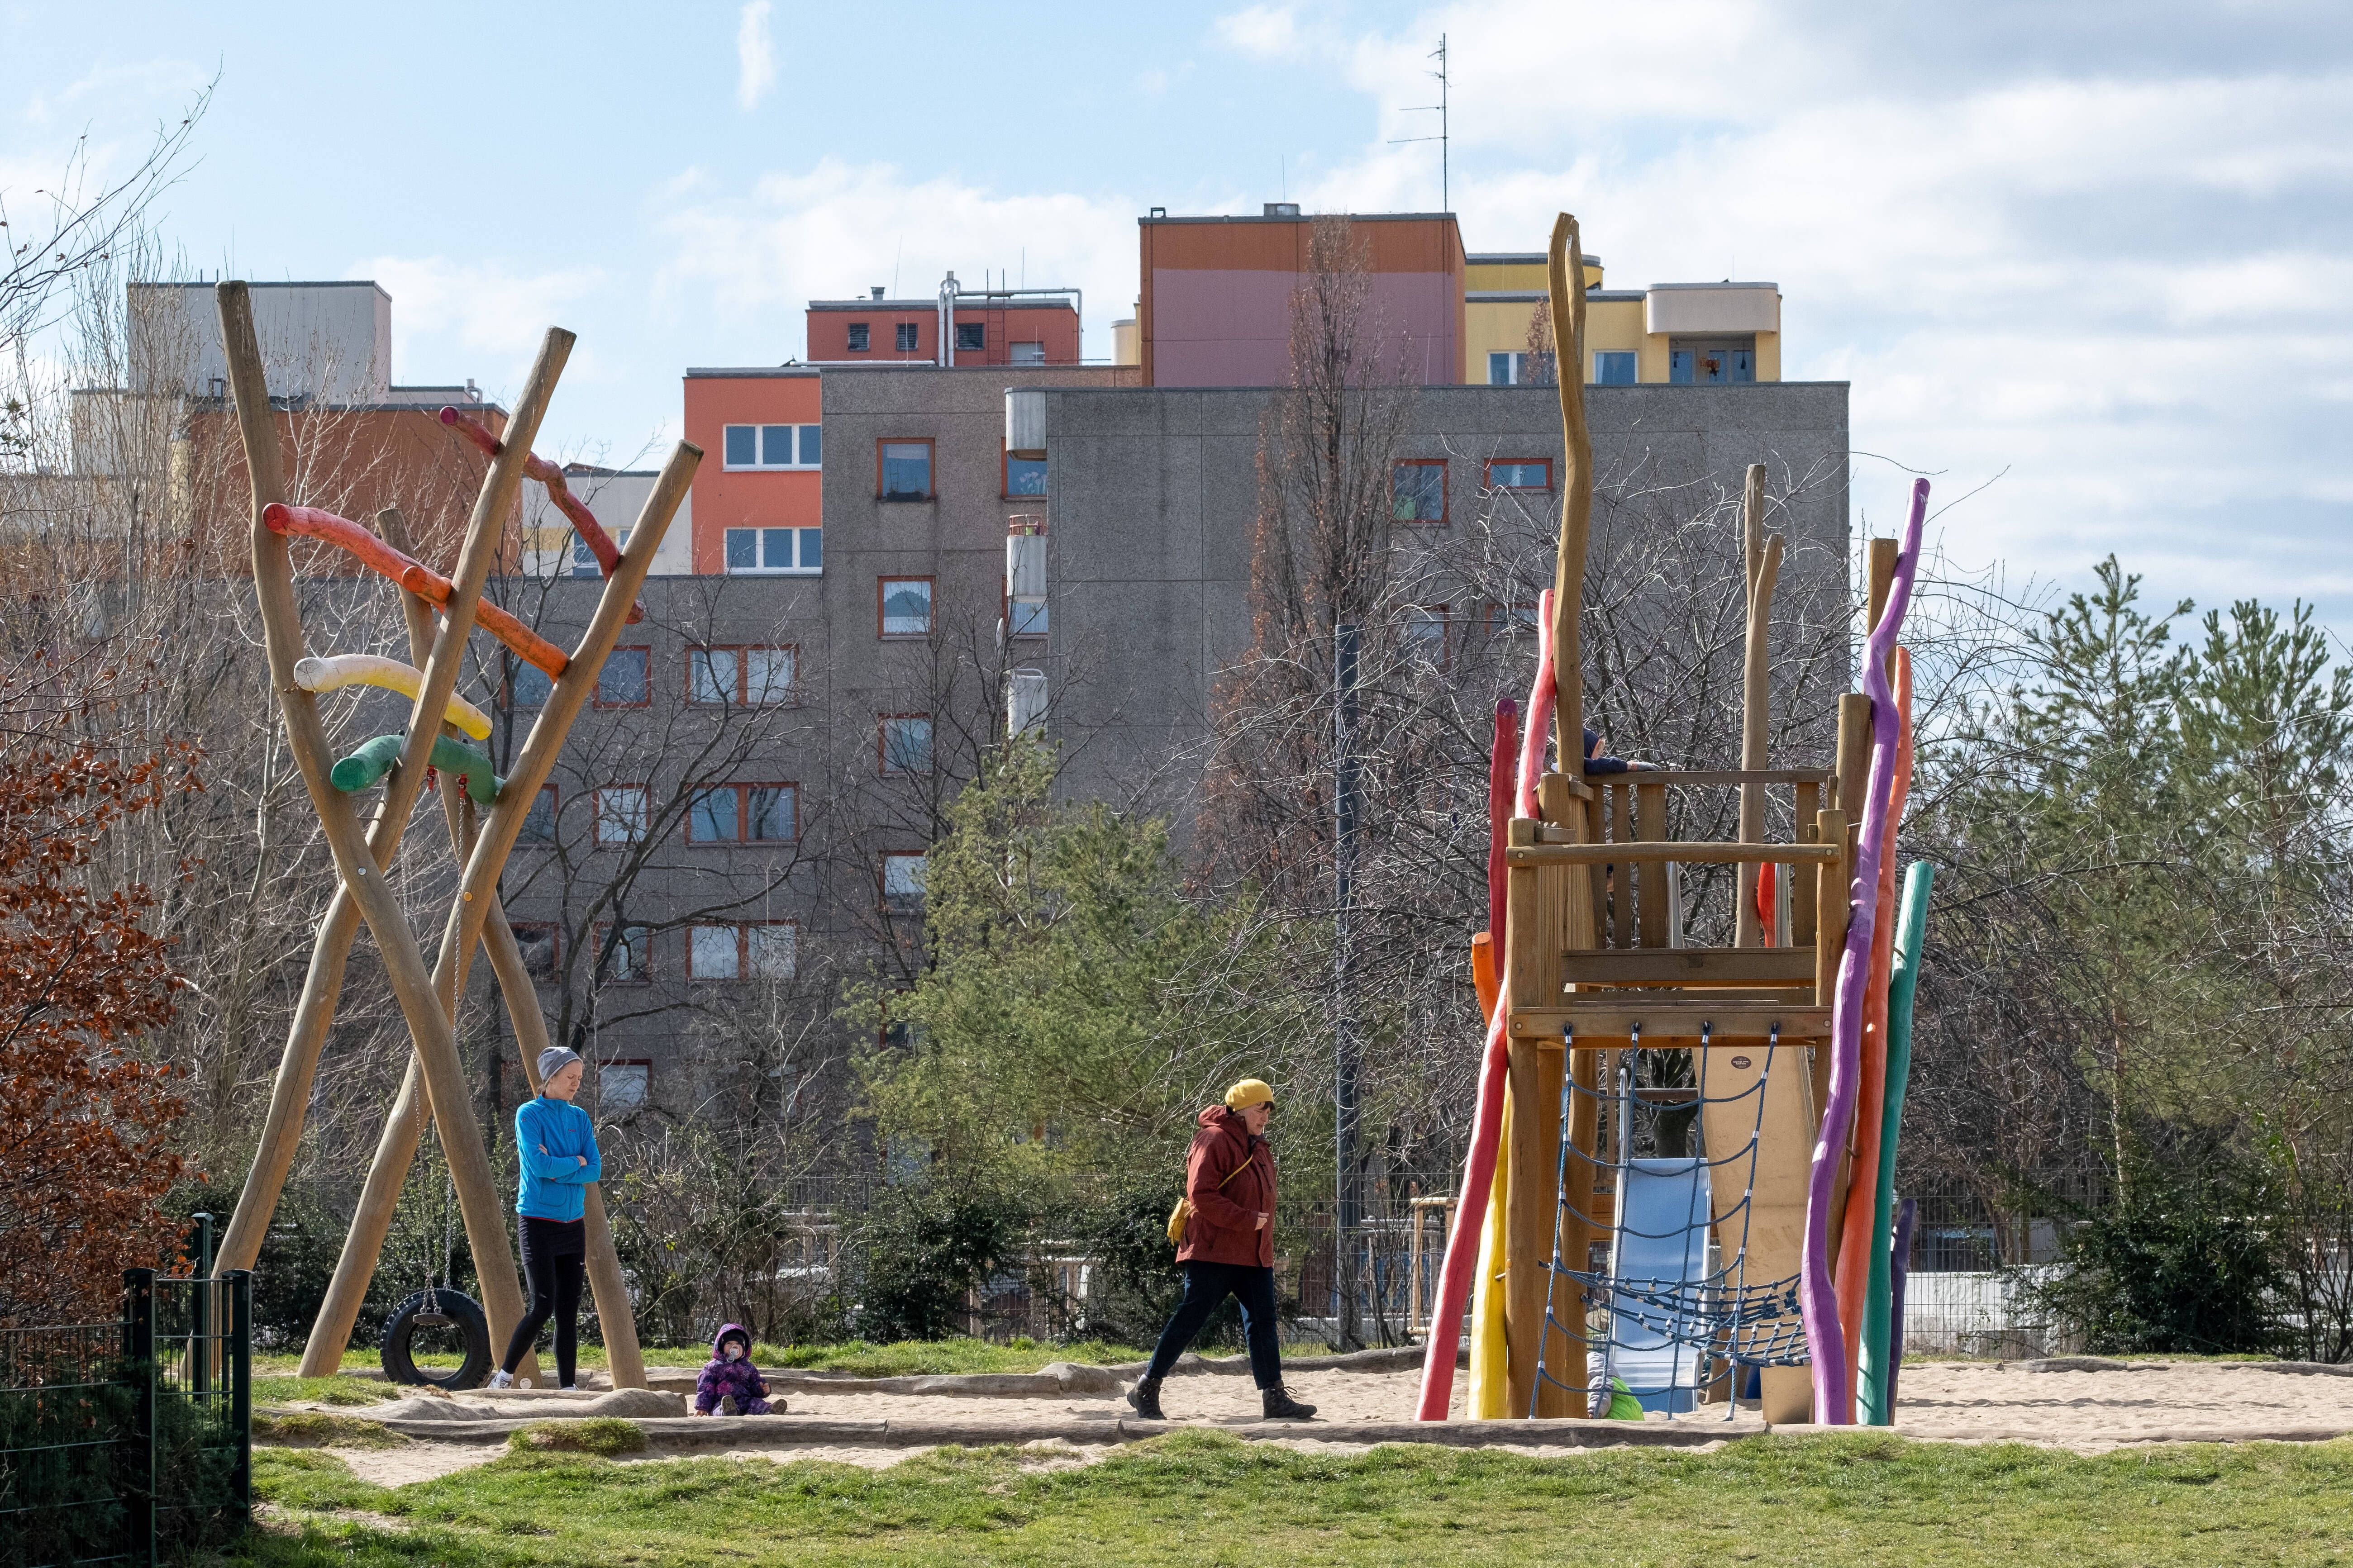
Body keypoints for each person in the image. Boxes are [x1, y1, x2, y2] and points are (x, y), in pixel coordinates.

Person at [1127, 1079, 1316, 1422]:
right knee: (1191, 1318)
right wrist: (1245, 1220)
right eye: (1261, 1109)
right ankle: (1146, 1386)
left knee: (1263, 1323)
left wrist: (1260, 1238)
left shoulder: (1258, 1146)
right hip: (1213, 1251)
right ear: (1241, 1109)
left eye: (1270, 1110)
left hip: (1254, 1254)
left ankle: (1274, 1397)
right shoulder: (1212, 1139)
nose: (1266, 1117)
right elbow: (1201, 1195)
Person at [489, 1046, 601, 1390]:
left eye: (580, 1079)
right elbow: (539, 1167)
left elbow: (594, 1169)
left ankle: (568, 1387)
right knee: (543, 1304)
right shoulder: (529, 1115)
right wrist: (575, 1163)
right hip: (537, 1221)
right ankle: (504, 1376)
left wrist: (563, 1167)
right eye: (570, 1078)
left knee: (569, 1309)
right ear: (550, 1077)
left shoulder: (579, 1118)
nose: (576, 1085)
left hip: (573, 1223)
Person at [691, 1323, 776, 1416]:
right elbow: (705, 1388)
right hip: (722, 1401)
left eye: (738, 1344)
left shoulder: (749, 1367)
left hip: (746, 1401)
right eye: (729, 1343)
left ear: (744, 1349)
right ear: (721, 1347)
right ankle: (728, 1411)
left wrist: (762, 1389)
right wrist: (702, 1407)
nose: (734, 1347)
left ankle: (770, 1410)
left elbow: (755, 1384)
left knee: (758, 1404)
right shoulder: (713, 1367)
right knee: (719, 1408)